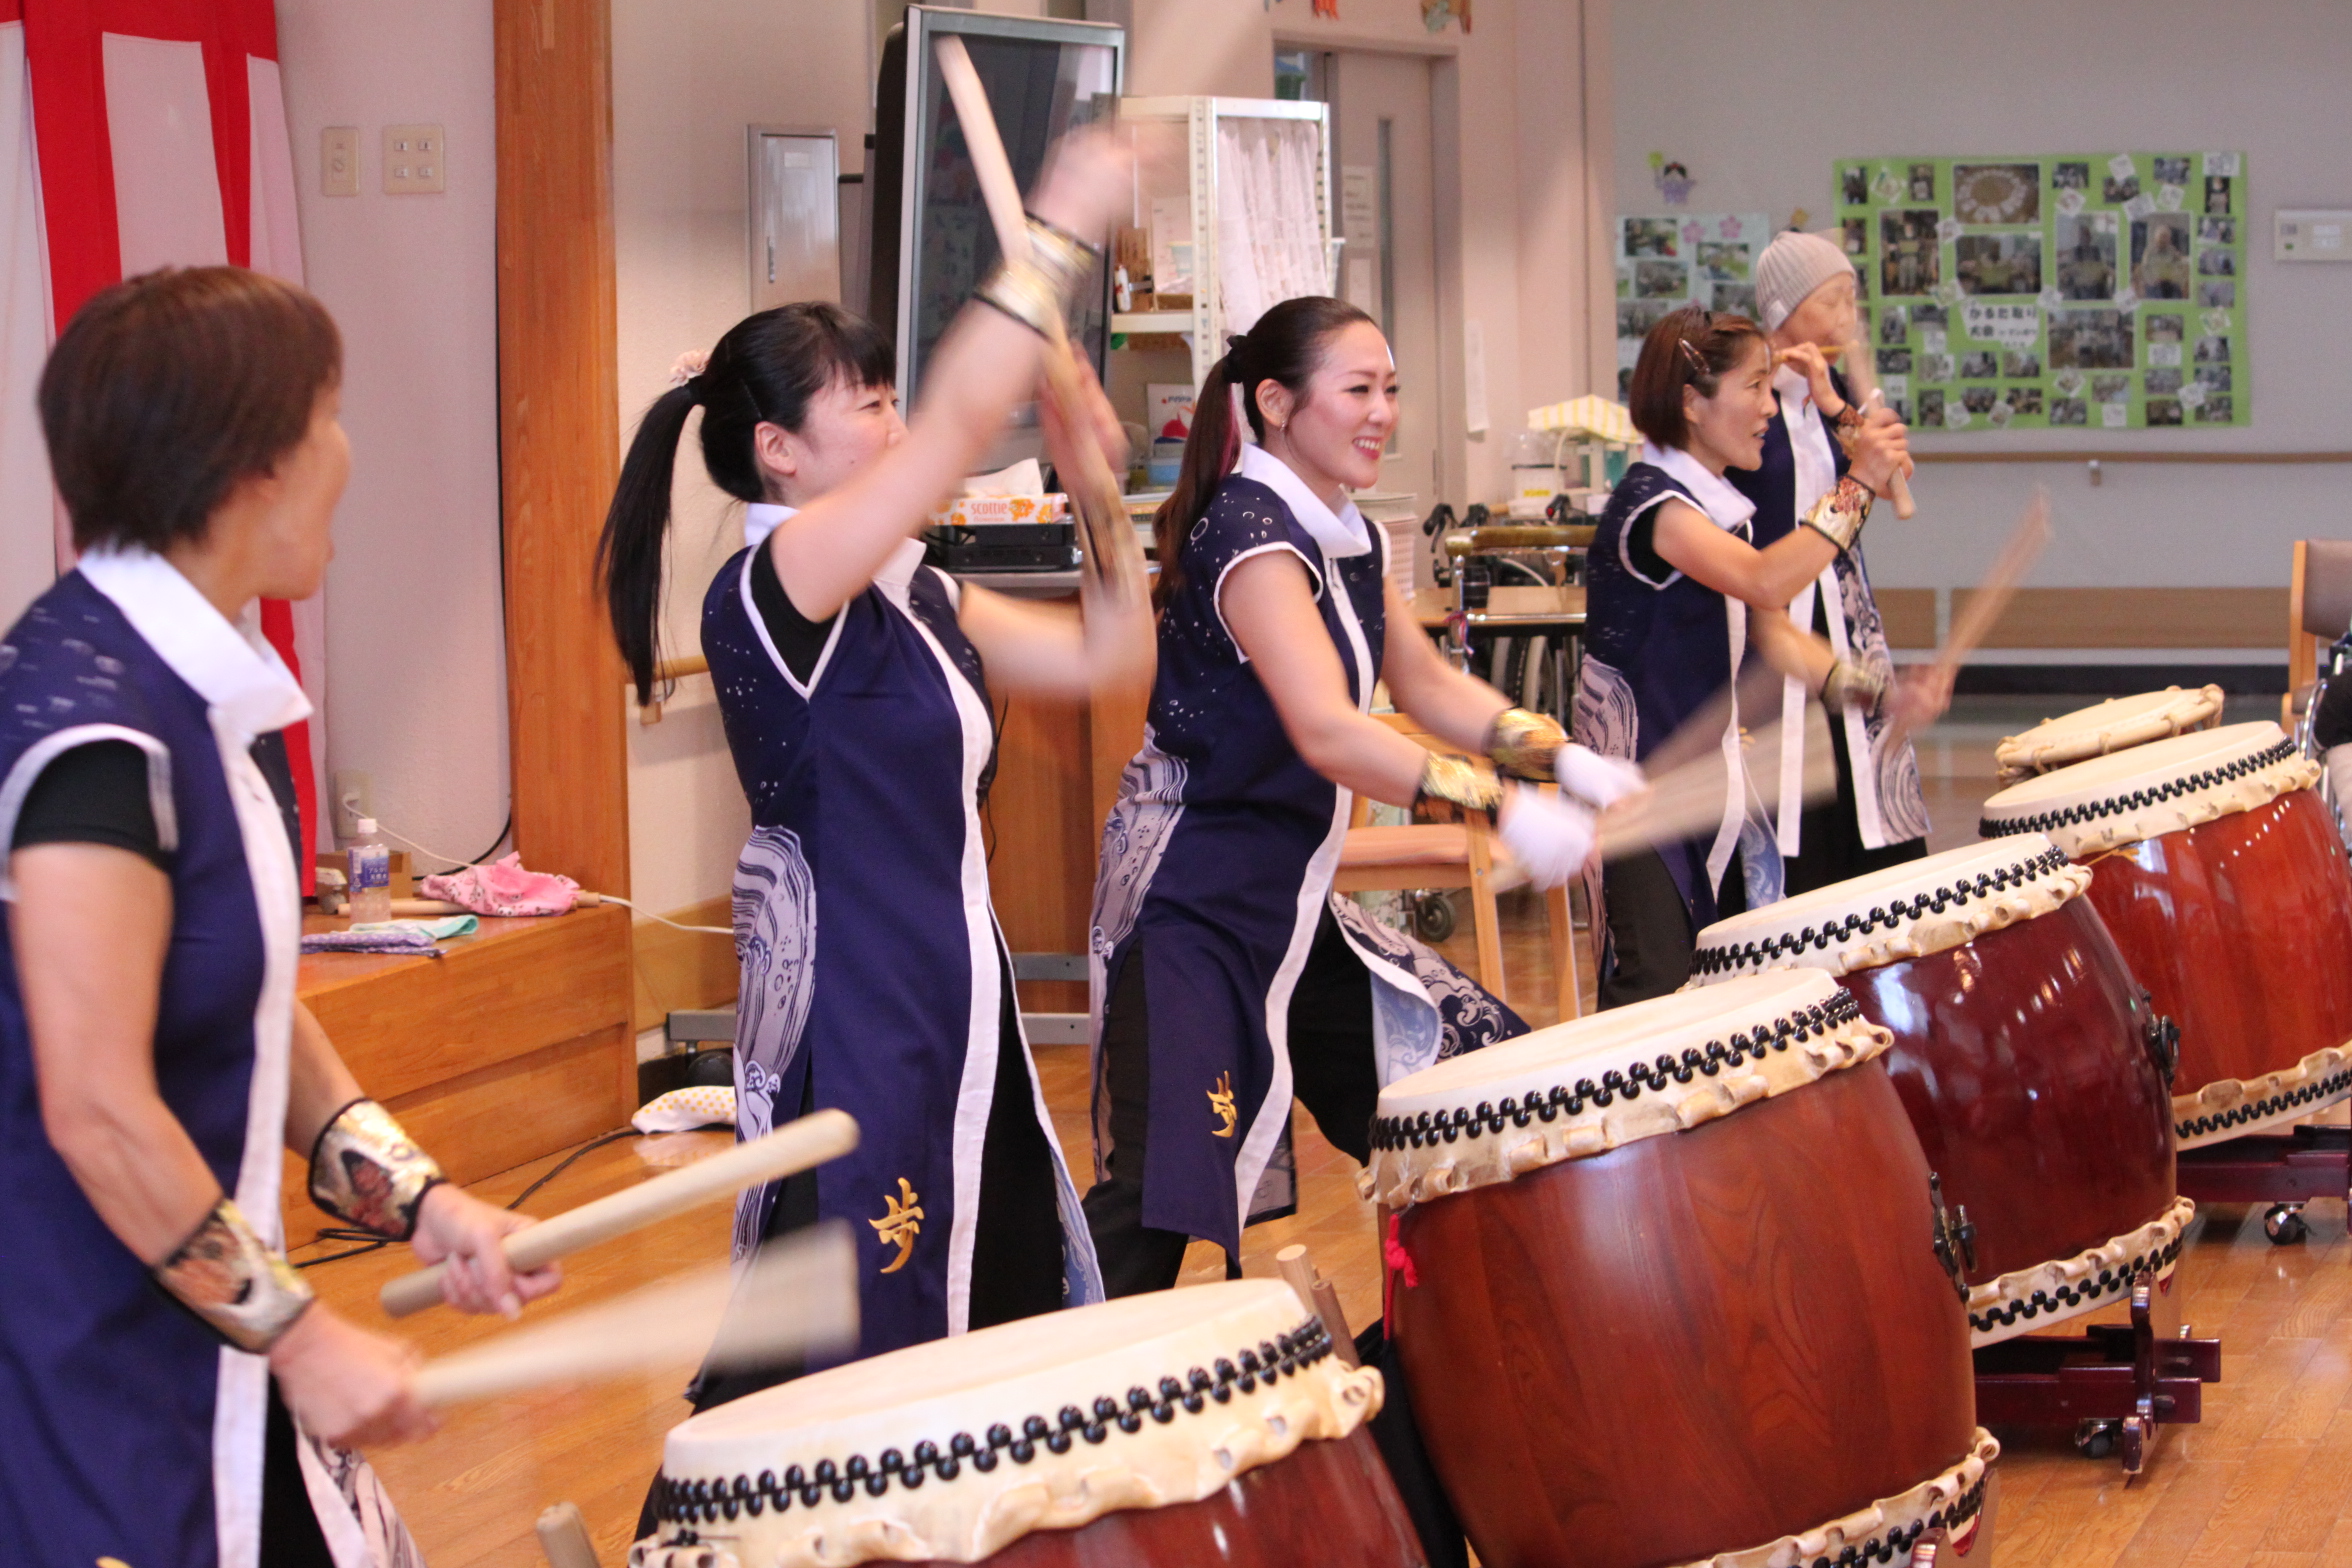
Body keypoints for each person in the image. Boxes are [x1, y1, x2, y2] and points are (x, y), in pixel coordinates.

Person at [0, 266, 558, 1568]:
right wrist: (301, 1338)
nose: (345, 456)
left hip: (208, 1330)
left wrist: (424, 1201)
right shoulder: (94, 733)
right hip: (88, 1363)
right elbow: (92, 1103)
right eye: (329, 418)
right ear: (249, 468)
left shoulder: (210, 687)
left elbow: (245, 1003)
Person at [596, 132, 1143, 1406]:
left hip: (961, 1001)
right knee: (843, 1360)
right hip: (854, 1016)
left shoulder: (918, 590)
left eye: (890, 395)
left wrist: (1093, 485)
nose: (896, 420)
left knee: (994, 1309)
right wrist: (1056, 229)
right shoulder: (773, 586)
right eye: (864, 402)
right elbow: (957, 424)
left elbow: (1111, 651)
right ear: (778, 450)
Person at [1083, 295, 1634, 1301]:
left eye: (1390, 389)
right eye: (1358, 390)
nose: (1382, 411)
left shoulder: (1345, 531)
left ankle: (1455, 1361)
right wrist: (1496, 805)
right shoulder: (1249, 536)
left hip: (1285, 906)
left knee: (1453, 1085)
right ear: (1279, 403)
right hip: (1190, 903)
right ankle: (1038, 1414)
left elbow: (1422, 684)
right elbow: (1329, 726)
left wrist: (1552, 755)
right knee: (1160, 1195)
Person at [1574, 304, 1912, 1006]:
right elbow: (1766, 580)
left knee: (1724, 990)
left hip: (1707, 783)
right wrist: (1858, 485)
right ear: (1693, 404)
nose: (1767, 408)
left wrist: (1876, 692)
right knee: (1654, 993)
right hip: (1636, 791)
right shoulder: (1655, 506)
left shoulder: (1720, 505)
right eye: (1754, 388)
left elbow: (1777, 633)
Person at [1733, 230, 1946, 897]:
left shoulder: (1823, 401)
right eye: (1834, 299)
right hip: (1777, 620)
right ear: (1784, 311)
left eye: (1852, 299)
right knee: (1802, 840)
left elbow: (1890, 475)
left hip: (1845, 614)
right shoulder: (1752, 407)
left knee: (1879, 832)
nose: (1847, 317)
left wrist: (1836, 404)